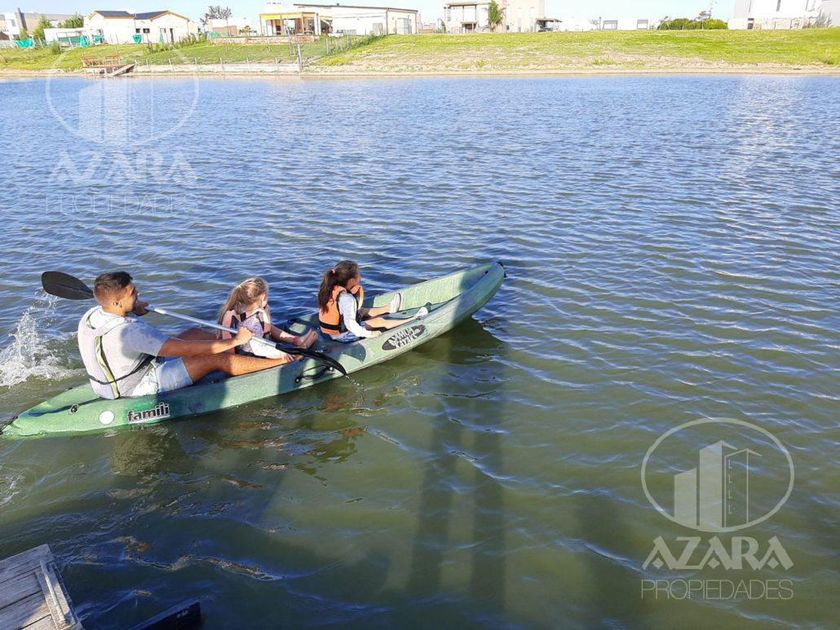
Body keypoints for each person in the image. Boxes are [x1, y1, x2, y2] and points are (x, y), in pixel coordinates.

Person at [77, 271, 296, 400]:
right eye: (133, 293)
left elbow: (119, 315)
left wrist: (133, 306)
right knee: (215, 357)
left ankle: (242, 356)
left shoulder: (93, 314)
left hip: (123, 370)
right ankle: (281, 361)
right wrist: (236, 340)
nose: (139, 293)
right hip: (136, 384)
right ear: (116, 302)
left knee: (194, 333)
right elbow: (185, 349)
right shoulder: (130, 331)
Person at [317, 260, 427, 342]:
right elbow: (351, 325)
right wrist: (369, 334)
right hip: (343, 336)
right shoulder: (347, 299)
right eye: (359, 275)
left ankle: (389, 308)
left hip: (330, 332)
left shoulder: (329, 288)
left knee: (361, 311)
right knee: (379, 321)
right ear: (352, 280)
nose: (361, 277)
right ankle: (414, 319)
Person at [217, 277, 317, 358]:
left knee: (271, 328)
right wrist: (281, 353)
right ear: (263, 297)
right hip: (249, 354)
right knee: (285, 353)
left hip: (261, 343)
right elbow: (258, 348)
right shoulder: (241, 319)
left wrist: (294, 339)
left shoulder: (260, 309)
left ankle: (296, 340)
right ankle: (300, 350)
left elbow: (268, 330)